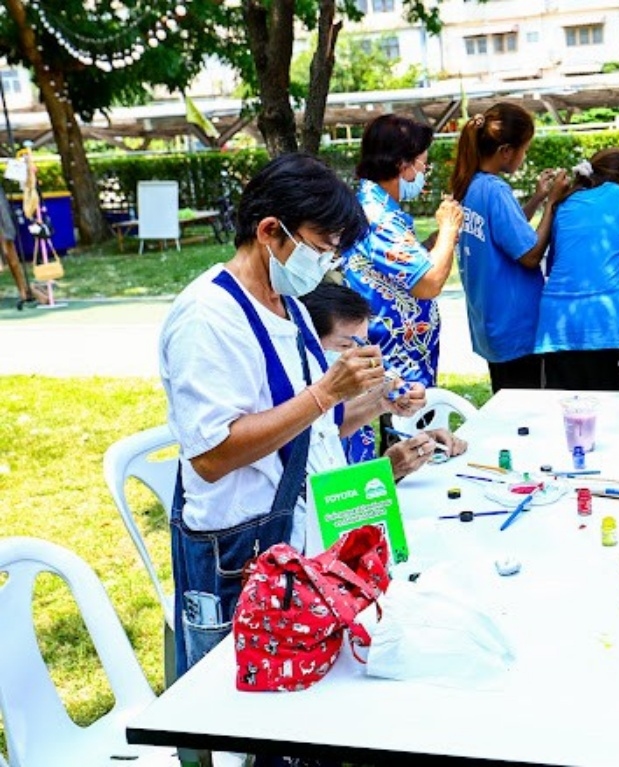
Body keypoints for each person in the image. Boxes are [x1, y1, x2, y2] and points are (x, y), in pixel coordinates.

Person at [160, 153, 385, 678]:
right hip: (243, 553)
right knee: (245, 705)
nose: (325, 264)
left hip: (301, 542)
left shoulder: (291, 305)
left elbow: (309, 431)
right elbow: (213, 455)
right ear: (270, 231)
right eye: (320, 249)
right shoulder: (208, 318)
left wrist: (374, 401)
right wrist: (325, 393)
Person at [450, 103, 569, 392]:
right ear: (506, 151)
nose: (524, 156)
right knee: (526, 409)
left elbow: (507, 232)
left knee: (506, 403)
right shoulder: (495, 189)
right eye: (524, 149)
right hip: (516, 328)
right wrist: (552, 204)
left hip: (491, 325)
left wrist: (538, 199)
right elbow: (529, 255)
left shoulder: (470, 185)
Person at [342, 114, 464, 389]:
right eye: (423, 164)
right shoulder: (379, 217)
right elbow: (428, 283)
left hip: (401, 359)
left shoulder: (375, 205)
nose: (424, 173)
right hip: (396, 368)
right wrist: (448, 229)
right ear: (402, 164)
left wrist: (433, 245)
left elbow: (395, 270)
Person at [533, 149, 619, 390]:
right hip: (608, 323)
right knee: (618, 406)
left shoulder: (567, 204)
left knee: (566, 409)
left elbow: (559, 265)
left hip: (557, 326)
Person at [300, 281, 467, 478]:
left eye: (362, 343)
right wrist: (387, 470)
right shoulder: (297, 411)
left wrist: (425, 442)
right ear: (306, 344)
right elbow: (332, 492)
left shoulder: (346, 399)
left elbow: (337, 425)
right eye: (344, 346)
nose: (359, 355)